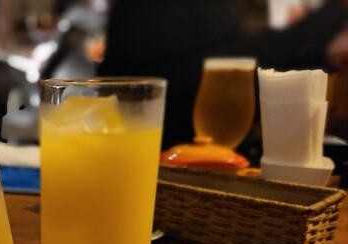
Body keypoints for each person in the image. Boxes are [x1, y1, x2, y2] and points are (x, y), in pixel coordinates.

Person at [97, 0, 348, 157]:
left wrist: (324, 51)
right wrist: (330, 18)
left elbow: (254, 62)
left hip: (227, 171)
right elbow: (190, 76)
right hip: (161, 173)